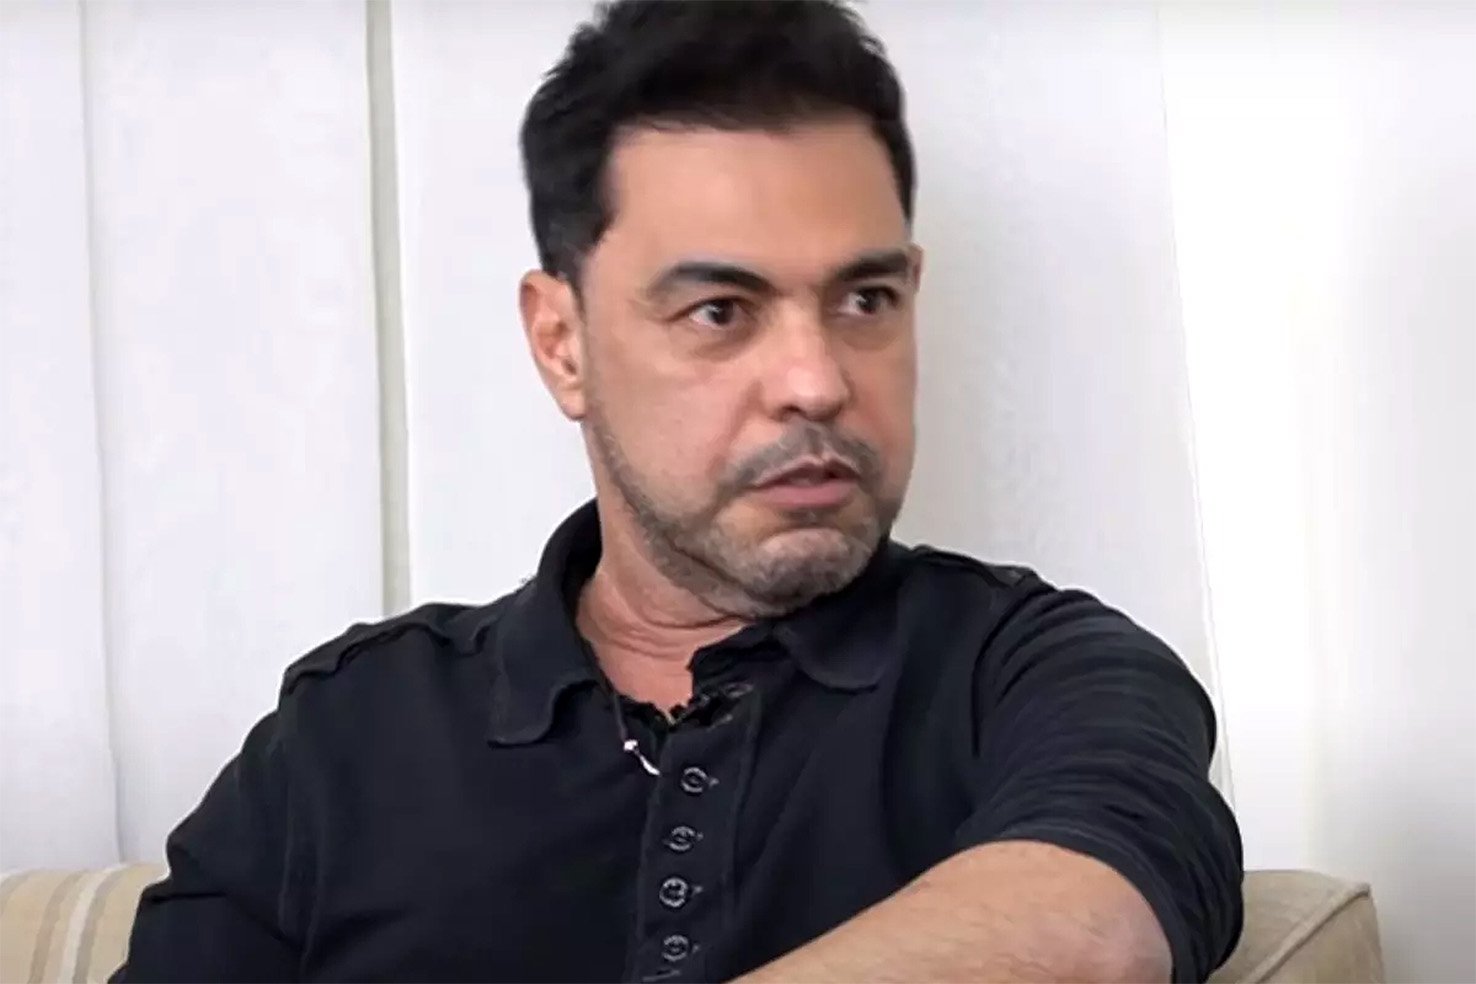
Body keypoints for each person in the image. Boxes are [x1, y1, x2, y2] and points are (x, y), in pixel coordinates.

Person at [113, 1, 1243, 981]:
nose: (816, 382)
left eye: (865, 301)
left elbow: (1091, 933)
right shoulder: (348, 732)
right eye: (720, 311)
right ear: (562, 343)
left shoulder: (1036, 668)